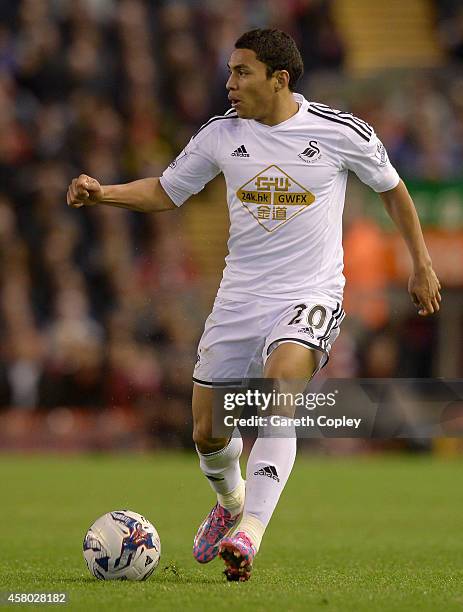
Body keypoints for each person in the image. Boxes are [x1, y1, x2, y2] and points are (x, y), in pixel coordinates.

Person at [66, 28, 441, 581]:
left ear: (279, 78)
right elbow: (169, 191)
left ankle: (251, 532)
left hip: (309, 293)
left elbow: (392, 188)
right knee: (207, 432)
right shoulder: (222, 135)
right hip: (239, 297)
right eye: (230, 72)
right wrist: (106, 194)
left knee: (279, 389)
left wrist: (422, 264)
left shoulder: (340, 133)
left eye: (242, 72)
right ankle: (232, 503)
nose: (230, 84)